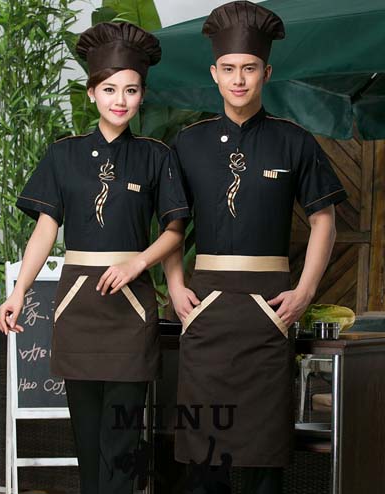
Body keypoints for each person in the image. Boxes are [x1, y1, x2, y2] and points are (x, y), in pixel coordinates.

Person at [0, 21, 189, 494]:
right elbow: (46, 230)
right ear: (91, 93)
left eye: (131, 90)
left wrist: (136, 264)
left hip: (131, 304)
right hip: (78, 305)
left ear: (142, 95)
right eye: (109, 89)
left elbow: (174, 230)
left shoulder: (156, 156)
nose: (120, 100)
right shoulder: (62, 155)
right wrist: (19, 292)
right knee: (86, 441)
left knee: (120, 441)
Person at [164, 2, 347, 493]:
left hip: (269, 308)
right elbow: (172, 224)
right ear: (214, 74)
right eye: (228, 69)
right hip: (205, 307)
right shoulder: (188, 143)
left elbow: (324, 220)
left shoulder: (295, 141)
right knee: (205, 453)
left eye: (249, 69)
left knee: (265, 455)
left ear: (266, 72)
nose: (238, 79)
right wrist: (175, 286)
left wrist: (305, 291)